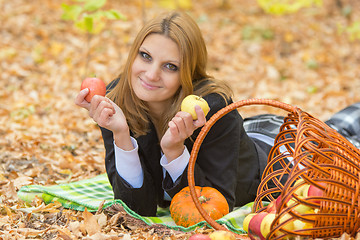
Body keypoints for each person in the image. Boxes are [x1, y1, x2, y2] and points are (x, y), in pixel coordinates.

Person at [75, 10, 360, 217]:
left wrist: (174, 151)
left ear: (187, 73)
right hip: (248, 133)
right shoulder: (116, 100)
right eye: (145, 56)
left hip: (280, 157)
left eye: (170, 66)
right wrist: (121, 135)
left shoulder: (211, 107)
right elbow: (137, 208)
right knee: (339, 126)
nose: (150, 74)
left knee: (343, 142)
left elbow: (212, 206)